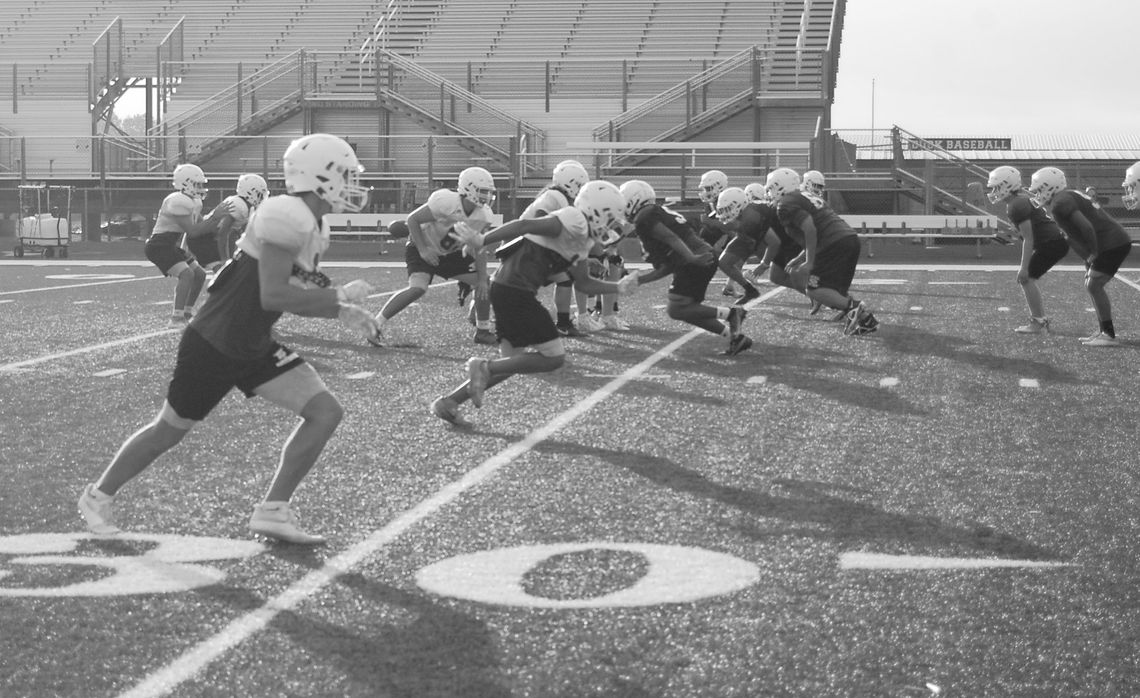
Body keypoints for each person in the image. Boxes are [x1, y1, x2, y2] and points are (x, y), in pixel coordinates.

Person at [77, 133, 382, 544]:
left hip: (252, 341)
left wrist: (343, 310)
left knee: (325, 412)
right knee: (168, 431)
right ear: (319, 176)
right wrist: (340, 296)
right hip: (214, 343)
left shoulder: (311, 223)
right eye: (344, 175)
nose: (350, 184)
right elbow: (272, 294)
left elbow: (296, 293)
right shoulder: (287, 214)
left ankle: (273, 511)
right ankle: (97, 497)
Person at [428, 180, 640, 427]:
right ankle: (481, 366)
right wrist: (482, 239)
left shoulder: (582, 238)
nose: (612, 227)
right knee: (553, 357)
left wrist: (618, 287)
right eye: (610, 219)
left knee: (509, 364)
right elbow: (525, 224)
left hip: (509, 290)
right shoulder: (575, 219)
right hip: (515, 291)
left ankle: (449, 402)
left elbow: (583, 283)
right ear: (597, 211)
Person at [619, 179, 751, 355]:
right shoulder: (655, 213)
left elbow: (670, 237)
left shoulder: (645, 216)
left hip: (696, 260)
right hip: (699, 258)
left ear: (634, 199)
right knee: (685, 310)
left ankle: (731, 315)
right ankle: (734, 336)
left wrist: (692, 257)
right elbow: (667, 265)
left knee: (677, 309)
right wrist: (640, 280)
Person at [370, 166, 497, 346]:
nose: (486, 196)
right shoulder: (445, 201)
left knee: (485, 284)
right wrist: (423, 250)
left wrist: (482, 278)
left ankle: (482, 330)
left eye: (488, 192)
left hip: (450, 254)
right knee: (418, 288)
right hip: (422, 246)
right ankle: (376, 324)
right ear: (468, 188)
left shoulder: (483, 215)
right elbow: (413, 219)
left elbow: (479, 246)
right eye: (482, 191)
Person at [766, 167, 879, 336]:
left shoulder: (786, 204)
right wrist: (800, 257)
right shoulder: (804, 196)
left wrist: (809, 262)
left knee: (815, 290)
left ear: (780, 186)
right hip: (848, 239)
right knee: (832, 289)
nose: (769, 192)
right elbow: (817, 228)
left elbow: (810, 229)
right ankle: (866, 321)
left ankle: (855, 308)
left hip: (833, 244)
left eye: (771, 187)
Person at [1029, 166, 1132, 346]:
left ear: (1050, 187)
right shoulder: (1064, 197)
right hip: (1110, 241)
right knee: (1091, 284)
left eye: (1039, 190)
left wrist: (1093, 252)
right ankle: (1104, 331)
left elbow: (1086, 227)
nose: (1037, 194)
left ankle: (1108, 334)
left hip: (1110, 242)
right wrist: (1089, 257)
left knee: (1094, 284)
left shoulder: (1060, 203)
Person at [986, 166, 1070, 334]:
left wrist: (1023, 267)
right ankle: (1039, 320)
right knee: (1027, 279)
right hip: (1054, 242)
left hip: (1051, 243)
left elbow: (1029, 238)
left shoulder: (1016, 205)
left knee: (1026, 278)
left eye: (997, 187)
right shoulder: (1020, 200)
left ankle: (1038, 321)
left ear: (1006, 186)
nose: (994, 191)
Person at [145, 164, 233, 324]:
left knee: (199, 274)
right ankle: (176, 317)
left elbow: (202, 224)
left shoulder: (192, 202)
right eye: (197, 184)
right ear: (185, 183)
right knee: (187, 274)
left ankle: (186, 313)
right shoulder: (177, 201)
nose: (201, 188)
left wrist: (218, 218)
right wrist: (215, 217)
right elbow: (193, 231)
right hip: (159, 245)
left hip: (170, 244)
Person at [522, 159, 596, 336]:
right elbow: (539, 221)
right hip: (526, 247)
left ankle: (563, 323)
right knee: (520, 288)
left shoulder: (561, 198)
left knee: (564, 279)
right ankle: (562, 324)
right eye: (579, 185)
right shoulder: (554, 197)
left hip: (534, 246)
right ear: (569, 183)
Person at [714, 186, 807, 308]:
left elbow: (774, 242)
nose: (725, 213)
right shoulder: (745, 212)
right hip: (750, 235)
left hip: (777, 239)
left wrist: (763, 264)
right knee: (724, 262)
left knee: (782, 274)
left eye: (727, 209)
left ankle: (816, 293)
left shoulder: (752, 217)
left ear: (739, 205)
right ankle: (750, 290)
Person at [185, 173, 269, 271]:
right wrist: (225, 259)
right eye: (259, 194)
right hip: (202, 239)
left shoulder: (245, 206)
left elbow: (237, 234)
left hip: (208, 238)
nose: (262, 197)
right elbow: (222, 233)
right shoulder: (238, 205)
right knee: (224, 273)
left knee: (229, 273)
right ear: (250, 193)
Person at [695, 169, 739, 298]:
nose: (705, 192)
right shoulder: (712, 202)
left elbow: (729, 224)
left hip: (722, 233)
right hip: (713, 235)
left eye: (708, 188)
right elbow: (716, 225)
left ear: (718, 187)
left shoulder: (726, 200)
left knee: (738, 257)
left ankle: (729, 286)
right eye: (704, 188)